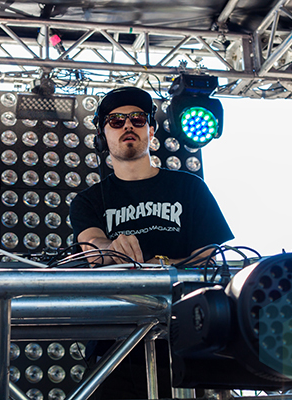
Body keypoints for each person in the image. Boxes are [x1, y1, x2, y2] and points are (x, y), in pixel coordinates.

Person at [68, 86, 234, 399]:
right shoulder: (87, 201)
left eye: (137, 119)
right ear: (102, 135)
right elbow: (94, 250)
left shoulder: (190, 187)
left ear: (151, 130)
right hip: (115, 348)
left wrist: (154, 265)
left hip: (187, 338)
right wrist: (112, 248)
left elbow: (208, 260)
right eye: (116, 121)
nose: (127, 126)